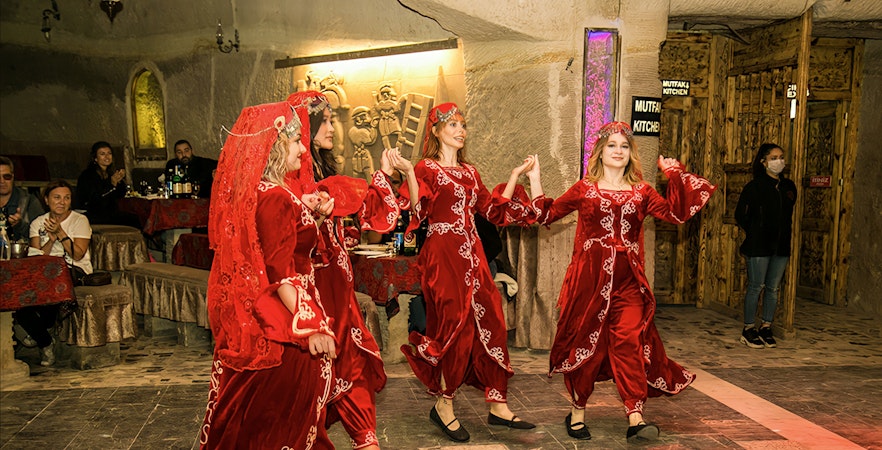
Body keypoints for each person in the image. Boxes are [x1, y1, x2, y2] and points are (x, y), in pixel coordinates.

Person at [531, 121, 715, 442]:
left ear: (631, 154)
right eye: (612, 145)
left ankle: (635, 416)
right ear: (600, 152)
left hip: (629, 284)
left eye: (625, 146)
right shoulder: (585, 188)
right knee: (587, 346)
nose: (619, 151)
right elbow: (546, 215)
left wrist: (674, 175)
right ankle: (577, 411)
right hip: (589, 283)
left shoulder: (642, 191)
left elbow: (676, 213)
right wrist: (534, 178)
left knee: (629, 342)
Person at [397, 102, 541, 443]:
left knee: (492, 320)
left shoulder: (470, 172)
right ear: (436, 131)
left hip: (473, 254)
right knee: (455, 326)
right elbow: (418, 209)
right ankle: (444, 406)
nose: (460, 130)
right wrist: (409, 174)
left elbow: (491, 210)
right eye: (452, 125)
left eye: (462, 125)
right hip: (442, 254)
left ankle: (498, 404)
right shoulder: (427, 168)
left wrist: (514, 177)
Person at [199, 100, 337, 449]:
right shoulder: (275, 196)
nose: (303, 149)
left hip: (279, 310)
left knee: (265, 416)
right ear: (275, 146)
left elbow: (284, 248)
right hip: (286, 319)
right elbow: (280, 272)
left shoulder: (266, 191)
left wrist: (314, 218)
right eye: (296, 142)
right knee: (281, 419)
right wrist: (310, 325)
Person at [289, 90, 406, 450]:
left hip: (338, 287)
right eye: (323, 121)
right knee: (316, 373)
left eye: (331, 120)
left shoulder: (323, 169)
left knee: (352, 362)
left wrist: (341, 232)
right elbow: (288, 239)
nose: (331, 127)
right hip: (314, 289)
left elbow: (350, 208)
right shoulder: (292, 179)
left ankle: (366, 440)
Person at [20, 179, 93, 366]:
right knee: (20, 300)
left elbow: (78, 255)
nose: (62, 202)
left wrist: (60, 233)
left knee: (52, 290)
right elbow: (36, 258)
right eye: (57, 197)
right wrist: (51, 241)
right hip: (44, 271)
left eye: (67, 198)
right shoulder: (38, 222)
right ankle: (45, 341)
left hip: (74, 270)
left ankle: (39, 335)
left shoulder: (79, 220)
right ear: (46, 200)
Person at [734, 143, 797, 349]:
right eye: (773, 158)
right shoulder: (754, 187)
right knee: (756, 286)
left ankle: (766, 326)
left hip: (781, 246)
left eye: (781, 157)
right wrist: (756, 231)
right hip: (759, 246)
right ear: (763, 162)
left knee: (773, 288)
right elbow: (741, 215)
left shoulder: (788, 187)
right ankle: (748, 328)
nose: (779, 161)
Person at [75, 141, 140, 228]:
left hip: (109, 212)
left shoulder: (110, 173)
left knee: (136, 216)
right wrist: (112, 184)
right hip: (94, 213)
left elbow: (120, 195)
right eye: (102, 154)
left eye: (109, 153)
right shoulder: (88, 175)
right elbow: (95, 199)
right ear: (95, 158)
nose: (107, 156)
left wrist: (119, 182)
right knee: (132, 220)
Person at [0, 156, 44, 241]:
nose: (2, 181)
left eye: (7, 176)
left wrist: (20, 225)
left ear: (13, 177)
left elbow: (42, 234)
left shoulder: (29, 201)